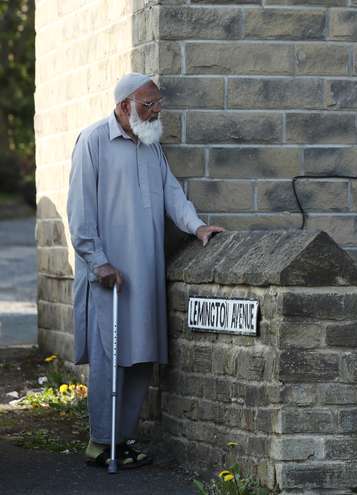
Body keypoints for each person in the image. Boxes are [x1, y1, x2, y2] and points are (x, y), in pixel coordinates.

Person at [67, 73, 224, 467]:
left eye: (158, 105)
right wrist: (97, 261)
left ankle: (125, 438)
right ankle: (101, 442)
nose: (155, 112)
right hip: (110, 273)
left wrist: (198, 226)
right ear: (124, 106)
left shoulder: (151, 146)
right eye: (147, 105)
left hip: (145, 271)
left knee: (140, 356)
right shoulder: (93, 142)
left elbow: (173, 193)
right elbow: (80, 211)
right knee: (110, 356)